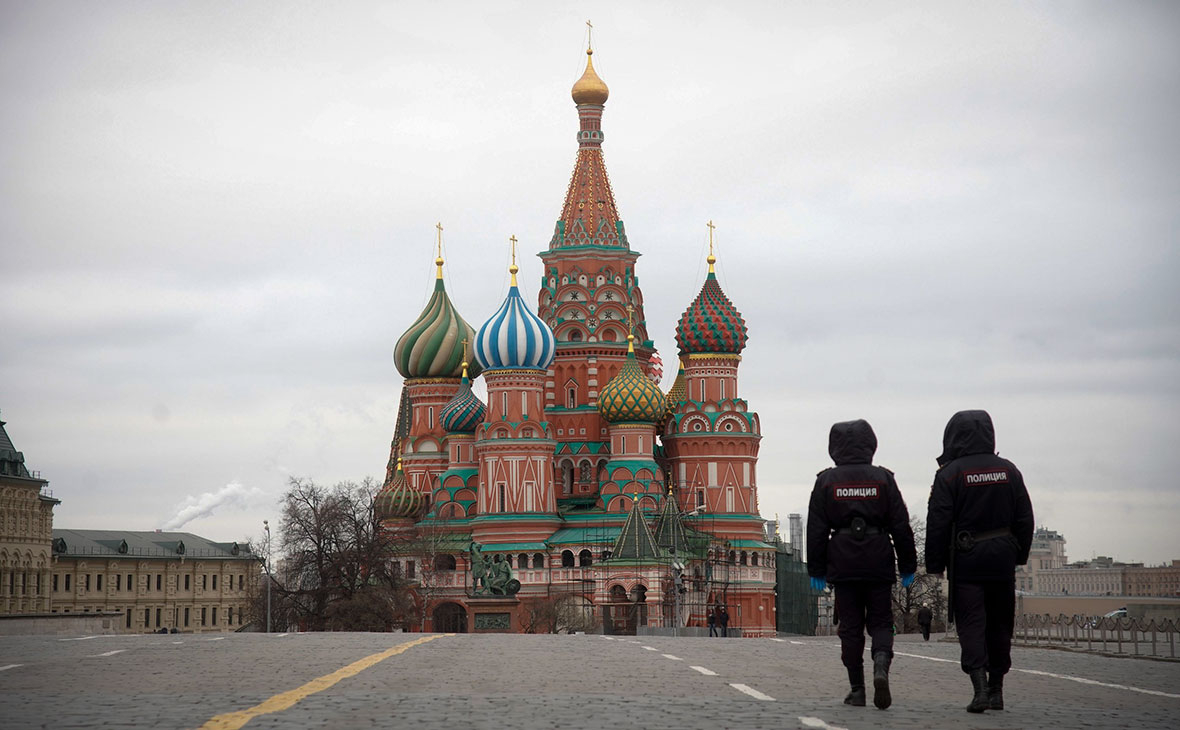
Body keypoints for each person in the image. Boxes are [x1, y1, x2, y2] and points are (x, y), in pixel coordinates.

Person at [925, 410, 1033, 713]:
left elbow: (938, 522)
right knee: (1000, 624)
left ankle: (979, 688)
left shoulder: (950, 474)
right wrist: (1018, 554)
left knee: (971, 624)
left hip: (967, 559)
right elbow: (1025, 518)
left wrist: (935, 564)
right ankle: (997, 688)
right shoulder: (1009, 470)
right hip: (1002, 557)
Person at [807, 419, 917, 710]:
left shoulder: (826, 481)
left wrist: (816, 570)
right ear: (871, 444)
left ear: (834, 447)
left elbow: (817, 529)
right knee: (881, 621)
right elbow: (901, 525)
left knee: (850, 627)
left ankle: (857, 690)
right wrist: (908, 565)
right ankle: (881, 665)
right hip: (878, 557)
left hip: (842, 562)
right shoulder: (883, 479)